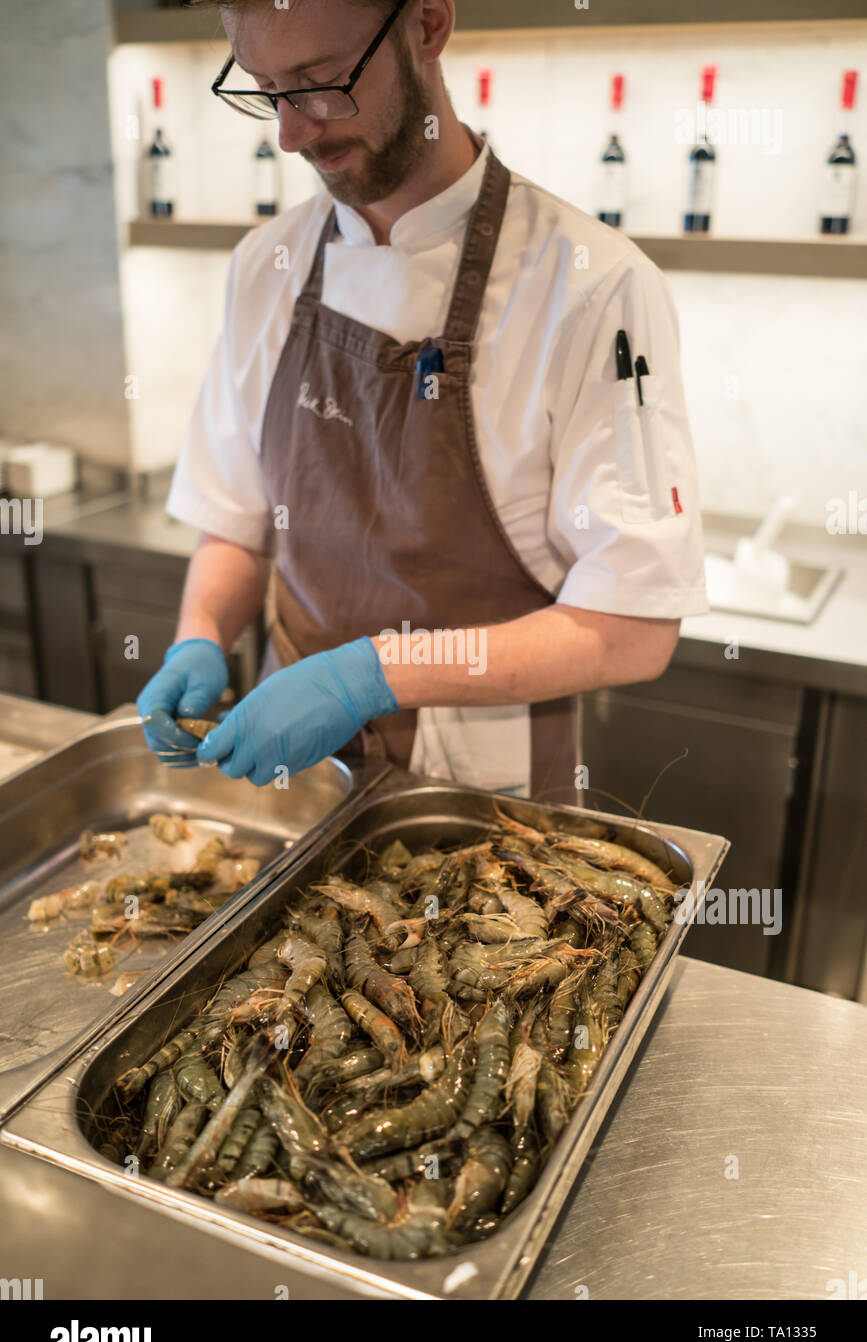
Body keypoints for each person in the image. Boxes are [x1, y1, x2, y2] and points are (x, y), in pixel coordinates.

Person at [138, 0, 707, 803]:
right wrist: (197, 638)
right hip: (297, 786)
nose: (291, 135)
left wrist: (372, 675)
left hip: (482, 804)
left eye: (320, 83)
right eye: (265, 91)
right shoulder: (264, 265)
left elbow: (632, 630)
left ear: (428, 27)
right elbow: (234, 522)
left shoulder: (590, 284)